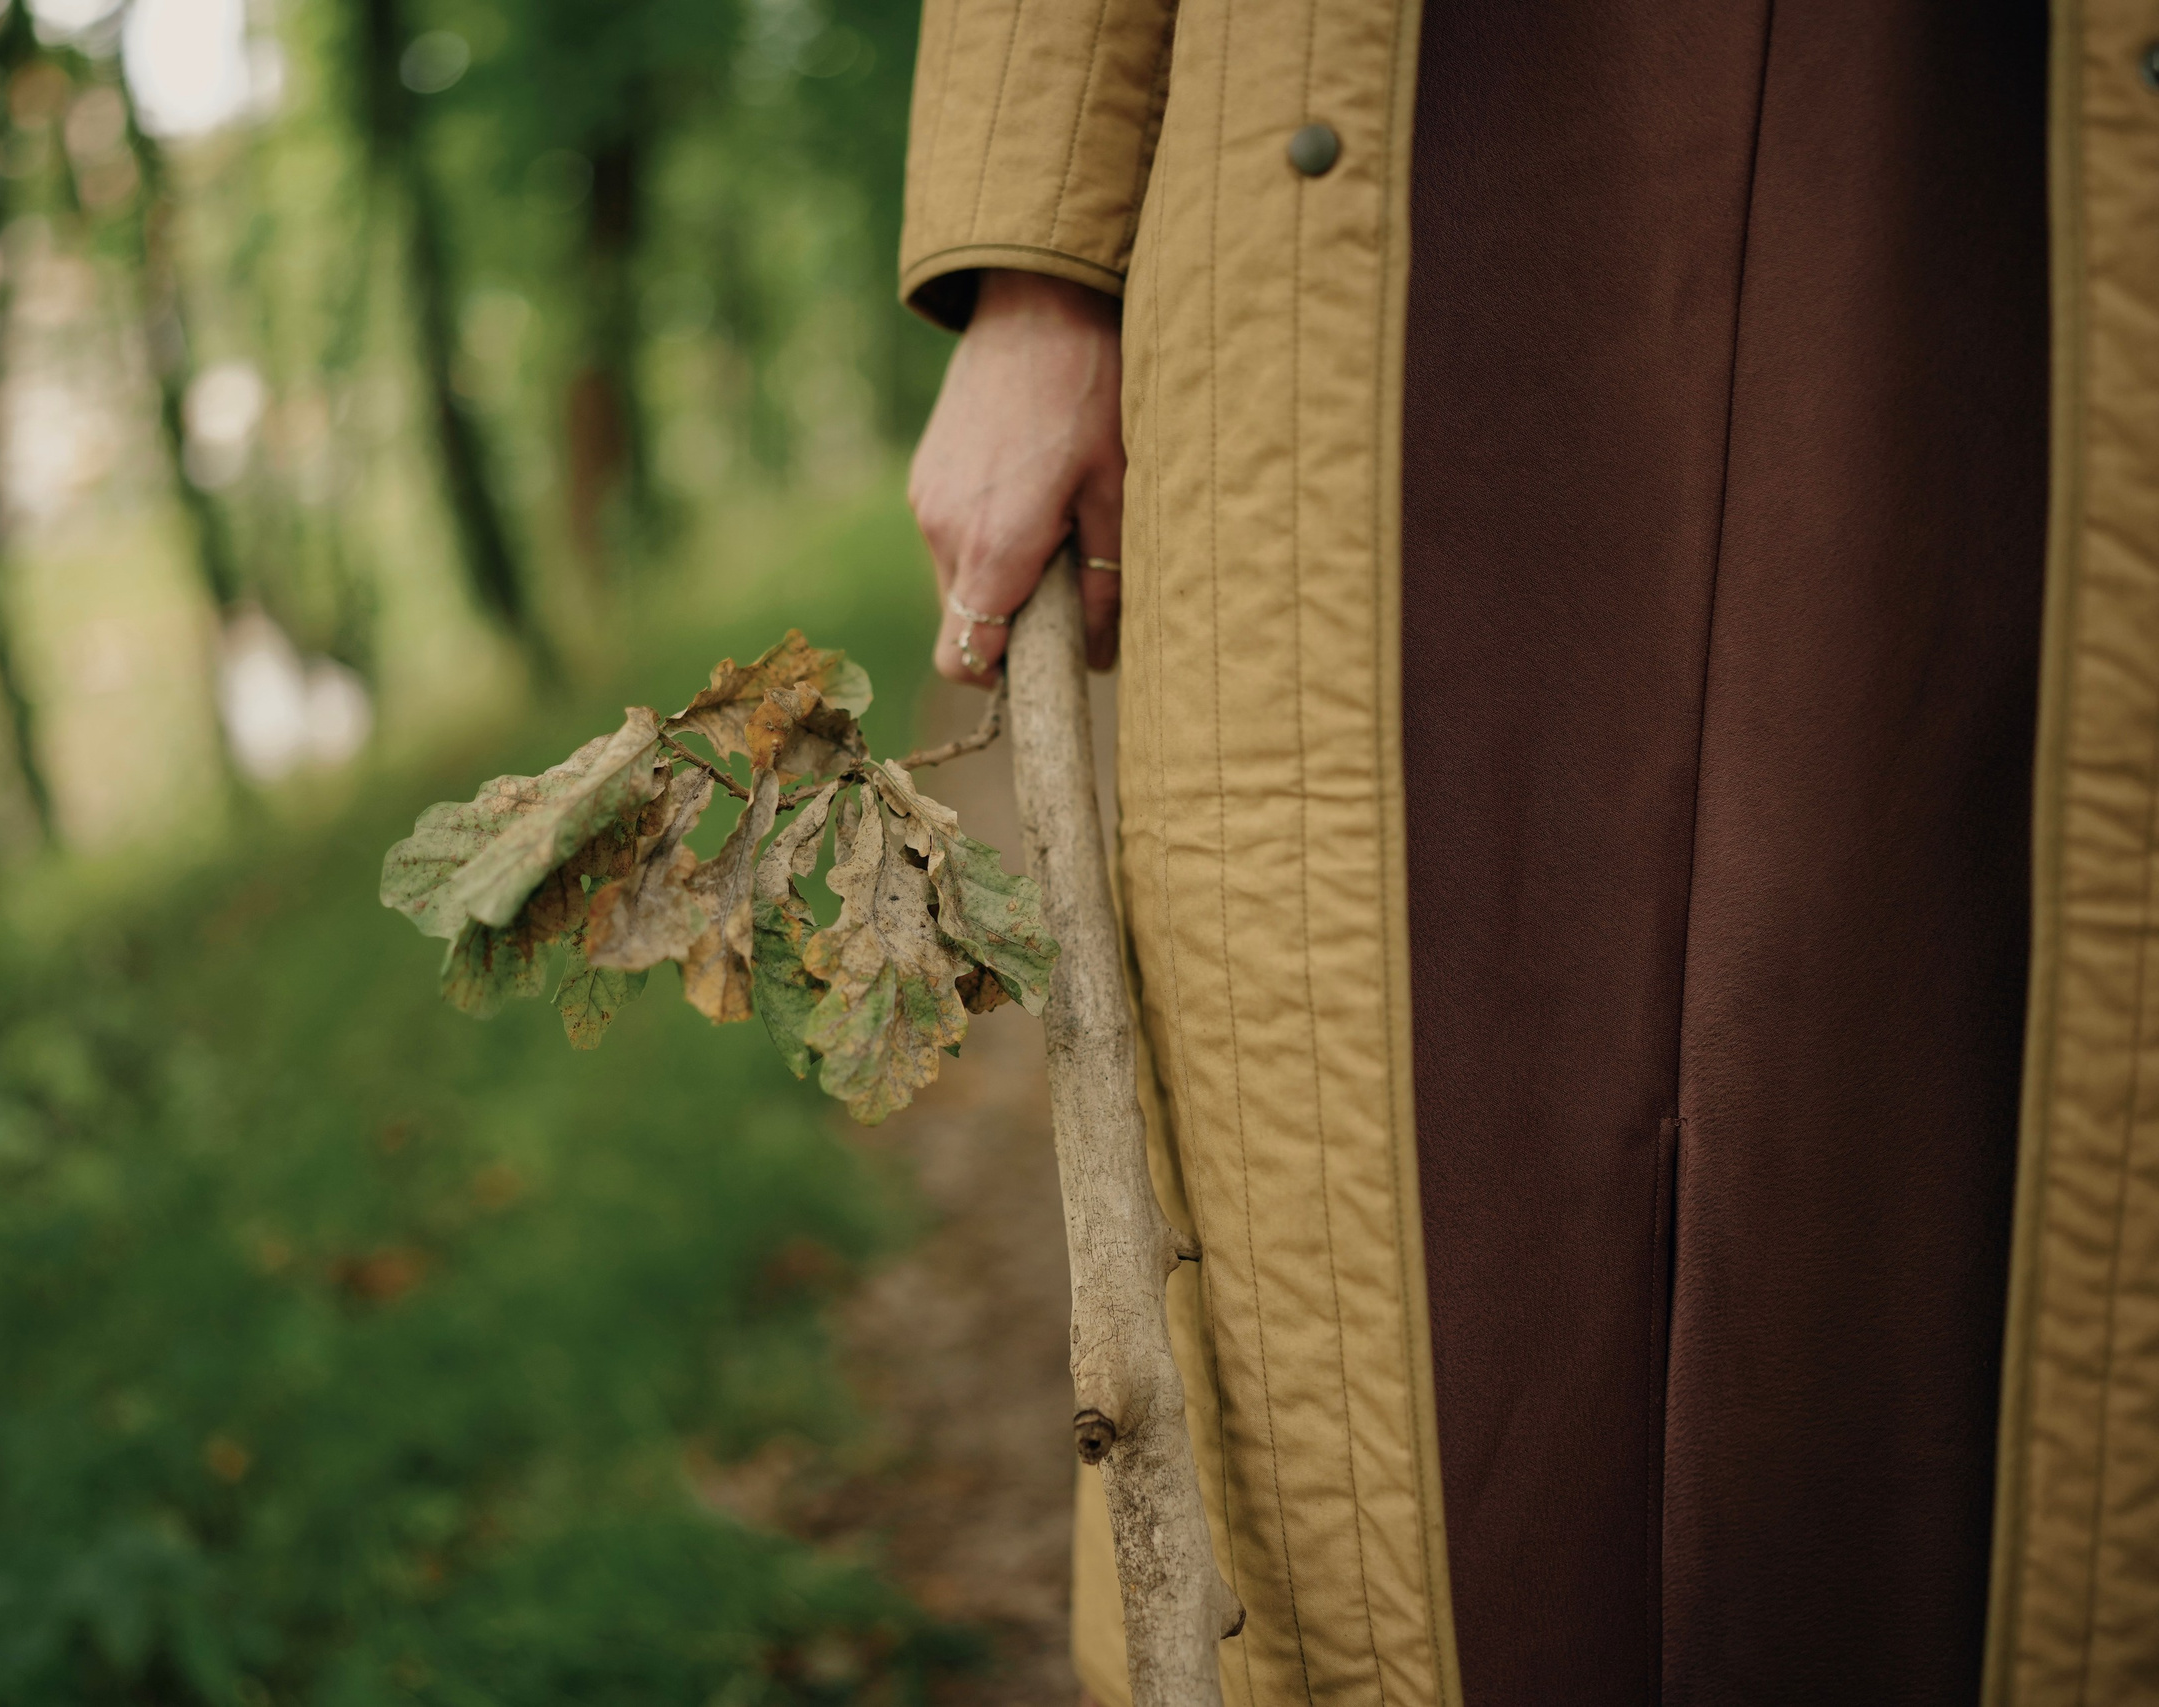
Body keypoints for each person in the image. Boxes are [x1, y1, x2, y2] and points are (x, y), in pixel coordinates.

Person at [895, 3, 2159, 1704]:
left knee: (1927, 1156)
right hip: (1369, 170)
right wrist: (1034, 283)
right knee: (1420, 1254)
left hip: (1974, 154)